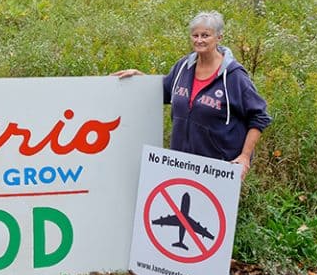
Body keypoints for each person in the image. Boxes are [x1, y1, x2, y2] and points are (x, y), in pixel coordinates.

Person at [113, 10, 271, 179]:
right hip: (181, 163)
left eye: (205, 35)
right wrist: (140, 78)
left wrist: (245, 157)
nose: (199, 40)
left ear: (219, 38)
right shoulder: (183, 67)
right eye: (195, 35)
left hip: (217, 169)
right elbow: (164, 92)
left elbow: (259, 116)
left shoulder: (234, 76)